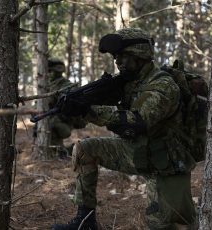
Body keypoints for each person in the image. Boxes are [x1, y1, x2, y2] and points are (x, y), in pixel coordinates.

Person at [51, 28, 197, 230]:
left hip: (165, 163)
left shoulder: (162, 84)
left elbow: (135, 121)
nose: (118, 62)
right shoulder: (129, 82)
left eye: (123, 56)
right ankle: (85, 223)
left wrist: (88, 111)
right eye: (116, 57)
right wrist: (79, 100)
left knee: (167, 224)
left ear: (140, 55)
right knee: (85, 149)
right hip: (137, 151)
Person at [34, 58, 85, 159]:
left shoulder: (66, 85)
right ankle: (67, 150)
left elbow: (72, 105)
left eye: (50, 72)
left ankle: (58, 154)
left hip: (63, 122)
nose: (48, 74)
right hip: (51, 120)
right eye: (48, 72)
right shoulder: (47, 85)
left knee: (51, 124)